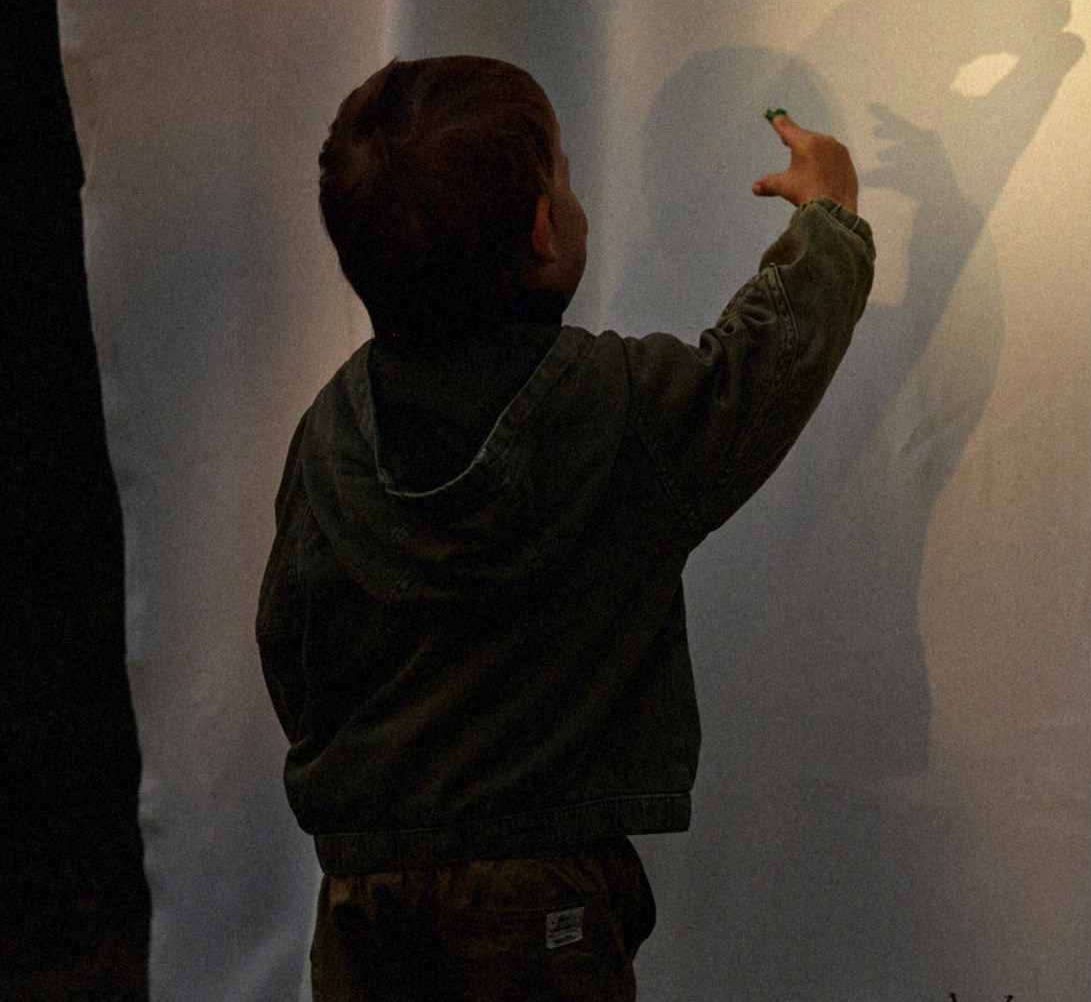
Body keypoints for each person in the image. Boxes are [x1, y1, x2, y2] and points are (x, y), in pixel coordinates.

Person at [256, 55, 874, 999]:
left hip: (363, 888)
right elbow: (757, 370)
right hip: (539, 894)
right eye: (567, 175)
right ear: (545, 230)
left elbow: (289, 642)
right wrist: (827, 217)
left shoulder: (328, 433)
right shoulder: (615, 410)